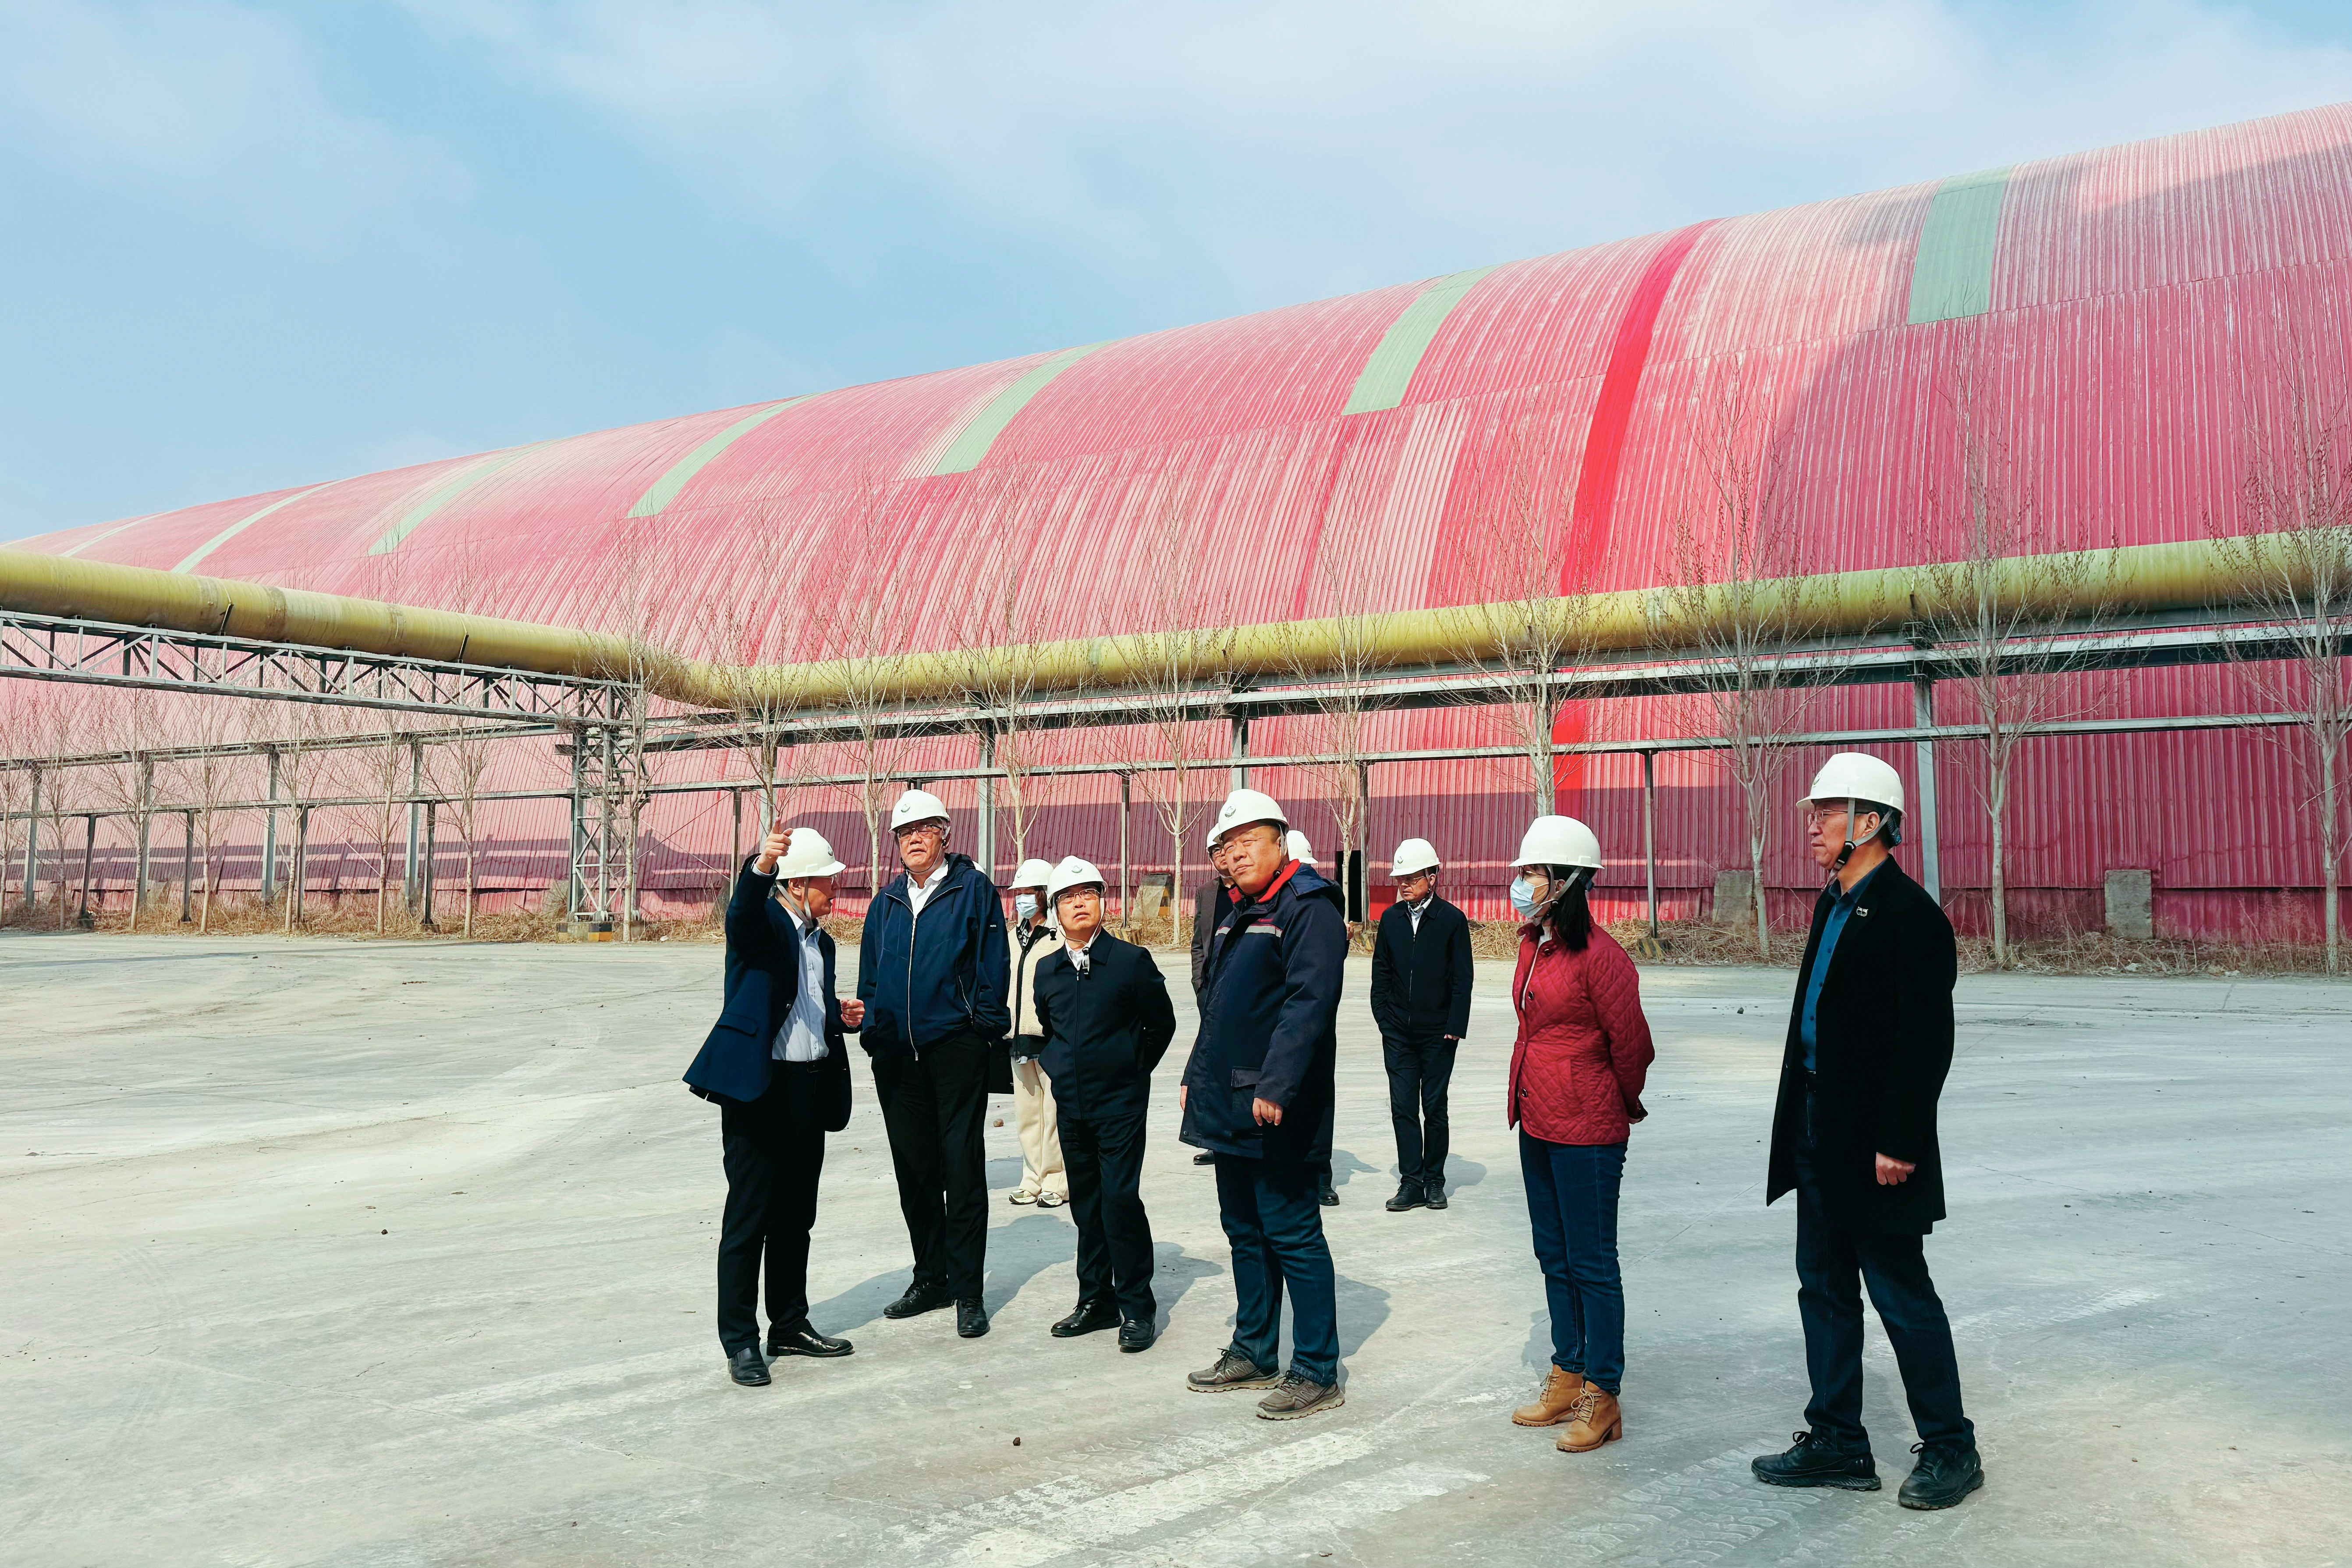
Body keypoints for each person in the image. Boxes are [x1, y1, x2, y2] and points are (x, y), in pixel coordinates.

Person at [1751, 754, 1983, 1511]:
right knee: (1821, 1287)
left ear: (1872, 821)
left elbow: (1925, 1040)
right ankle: (1837, 1440)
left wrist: (1900, 1140)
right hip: (1816, 1127)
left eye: (1826, 812)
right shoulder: (1832, 904)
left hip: (1876, 1143)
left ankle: (1950, 1447)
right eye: (1813, 812)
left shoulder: (1911, 915)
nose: (1812, 824)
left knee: (1898, 1291)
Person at [1181, 789, 1350, 1419]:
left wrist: (1277, 1084)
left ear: (1280, 840)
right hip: (1229, 1099)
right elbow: (1221, 1007)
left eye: (1248, 840)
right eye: (1227, 845)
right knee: (1244, 1229)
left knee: (1292, 1232)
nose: (1236, 854)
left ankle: (1317, 1368)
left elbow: (1310, 1002)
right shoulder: (1240, 910)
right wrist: (1194, 1074)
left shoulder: (1307, 906)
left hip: (1277, 1104)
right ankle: (1254, 1349)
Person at [683, 822, 866, 1387]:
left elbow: (802, 1007)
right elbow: (739, 914)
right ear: (800, 883)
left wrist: (839, 1016)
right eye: (828, 880)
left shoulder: (822, 942)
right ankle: (740, 1340)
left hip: (809, 1086)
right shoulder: (762, 922)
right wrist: (761, 866)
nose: (836, 888)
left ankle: (788, 1323)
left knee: (795, 1217)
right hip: (761, 1090)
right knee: (750, 1219)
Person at [1504, 815, 1654, 1454]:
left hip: (1587, 1126)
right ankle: (1567, 1372)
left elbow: (1633, 1046)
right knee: (1552, 1252)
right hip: (1537, 1117)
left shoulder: (1603, 957)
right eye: (1523, 871)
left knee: (1591, 1261)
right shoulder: (1533, 944)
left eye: (1533, 873)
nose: (1522, 883)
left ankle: (1603, 1391)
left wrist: (1613, 1102)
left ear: (1566, 881)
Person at [856, 788, 1012, 1339]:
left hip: (954, 1049)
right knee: (915, 1171)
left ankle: (968, 1291)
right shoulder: (886, 902)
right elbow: (870, 976)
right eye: (905, 832)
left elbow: (994, 965)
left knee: (962, 1170)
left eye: (924, 828)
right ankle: (931, 1277)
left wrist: (981, 1029)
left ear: (945, 832)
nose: (914, 839)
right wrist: (874, 1034)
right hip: (898, 1056)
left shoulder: (973, 890)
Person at [1032, 856, 1177, 1352]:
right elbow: (1050, 1028)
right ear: (1055, 909)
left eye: (1088, 894)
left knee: (1119, 1201)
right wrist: (1058, 1068)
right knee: (1087, 1205)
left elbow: (1162, 1025)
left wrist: (1132, 1071)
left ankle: (1136, 1306)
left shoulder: (1130, 961)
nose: (1079, 903)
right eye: (1068, 897)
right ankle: (1096, 1300)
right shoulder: (1048, 970)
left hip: (1120, 1106)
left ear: (1102, 902)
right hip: (1072, 1107)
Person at [1369, 837, 1473, 1212]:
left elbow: (1462, 979)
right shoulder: (1391, 920)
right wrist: (1384, 1018)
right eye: (1401, 878)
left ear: (1432, 877)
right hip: (1397, 1031)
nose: (1404, 884)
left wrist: (1455, 1025)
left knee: (1434, 1108)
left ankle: (1434, 1181)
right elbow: (1381, 973)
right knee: (1402, 1107)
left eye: (1412, 878)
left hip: (1438, 1033)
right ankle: (1411, 1182)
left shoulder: (1451, 920)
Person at [1004, 857, 1068, 1209]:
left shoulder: (1059, 938)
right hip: (1018, 1036)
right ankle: (1031, 1178)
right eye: (1018, 893)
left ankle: (1056, 1181)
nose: (1022, 899)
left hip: (1050, 1037)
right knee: (1027, 1113)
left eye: (1029, 892)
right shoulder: (1011, 938)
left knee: (1053, 1113)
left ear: (1045, 895)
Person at [1284, 827, 1341, 1208]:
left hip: (1314, 1017)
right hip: (1284, 1018)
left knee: (1317, 1095)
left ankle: (1320, 1174)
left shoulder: (1320, 904)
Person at [1186, 837, 1235, 1167]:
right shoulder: (1206, 892)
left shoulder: (1249, 890)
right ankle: (1216, 1140)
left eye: (1223, 849)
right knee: (1213, 1067)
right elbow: (1197, 942)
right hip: (1210, 989)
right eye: (1214, 852)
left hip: (1240, 989)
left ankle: (1235, 1138)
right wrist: (1199, 983)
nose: (1220, 856)